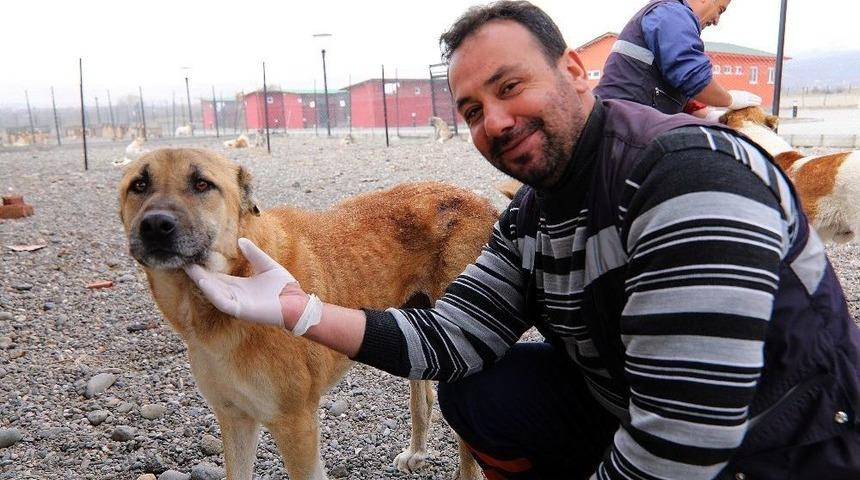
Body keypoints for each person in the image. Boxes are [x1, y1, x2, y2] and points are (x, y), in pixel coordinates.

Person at [185, 2, 860, 479]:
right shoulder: (533, 214)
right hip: (636, 410)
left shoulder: (683, 175)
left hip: (789, 442)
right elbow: (451, 338)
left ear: (573, 69)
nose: (496, 122)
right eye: (474, 111)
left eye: (510, 87)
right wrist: (300, 310)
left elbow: (686, 434)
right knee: (479, 392)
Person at [595, 0, 762, 117]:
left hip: (621, 116)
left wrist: (707, 116)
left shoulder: (667, 14)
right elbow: (693, 78)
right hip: (620, 122)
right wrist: (730, 99)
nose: (717, 20)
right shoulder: (672, 14)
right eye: (720, 10)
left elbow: (674, 86)